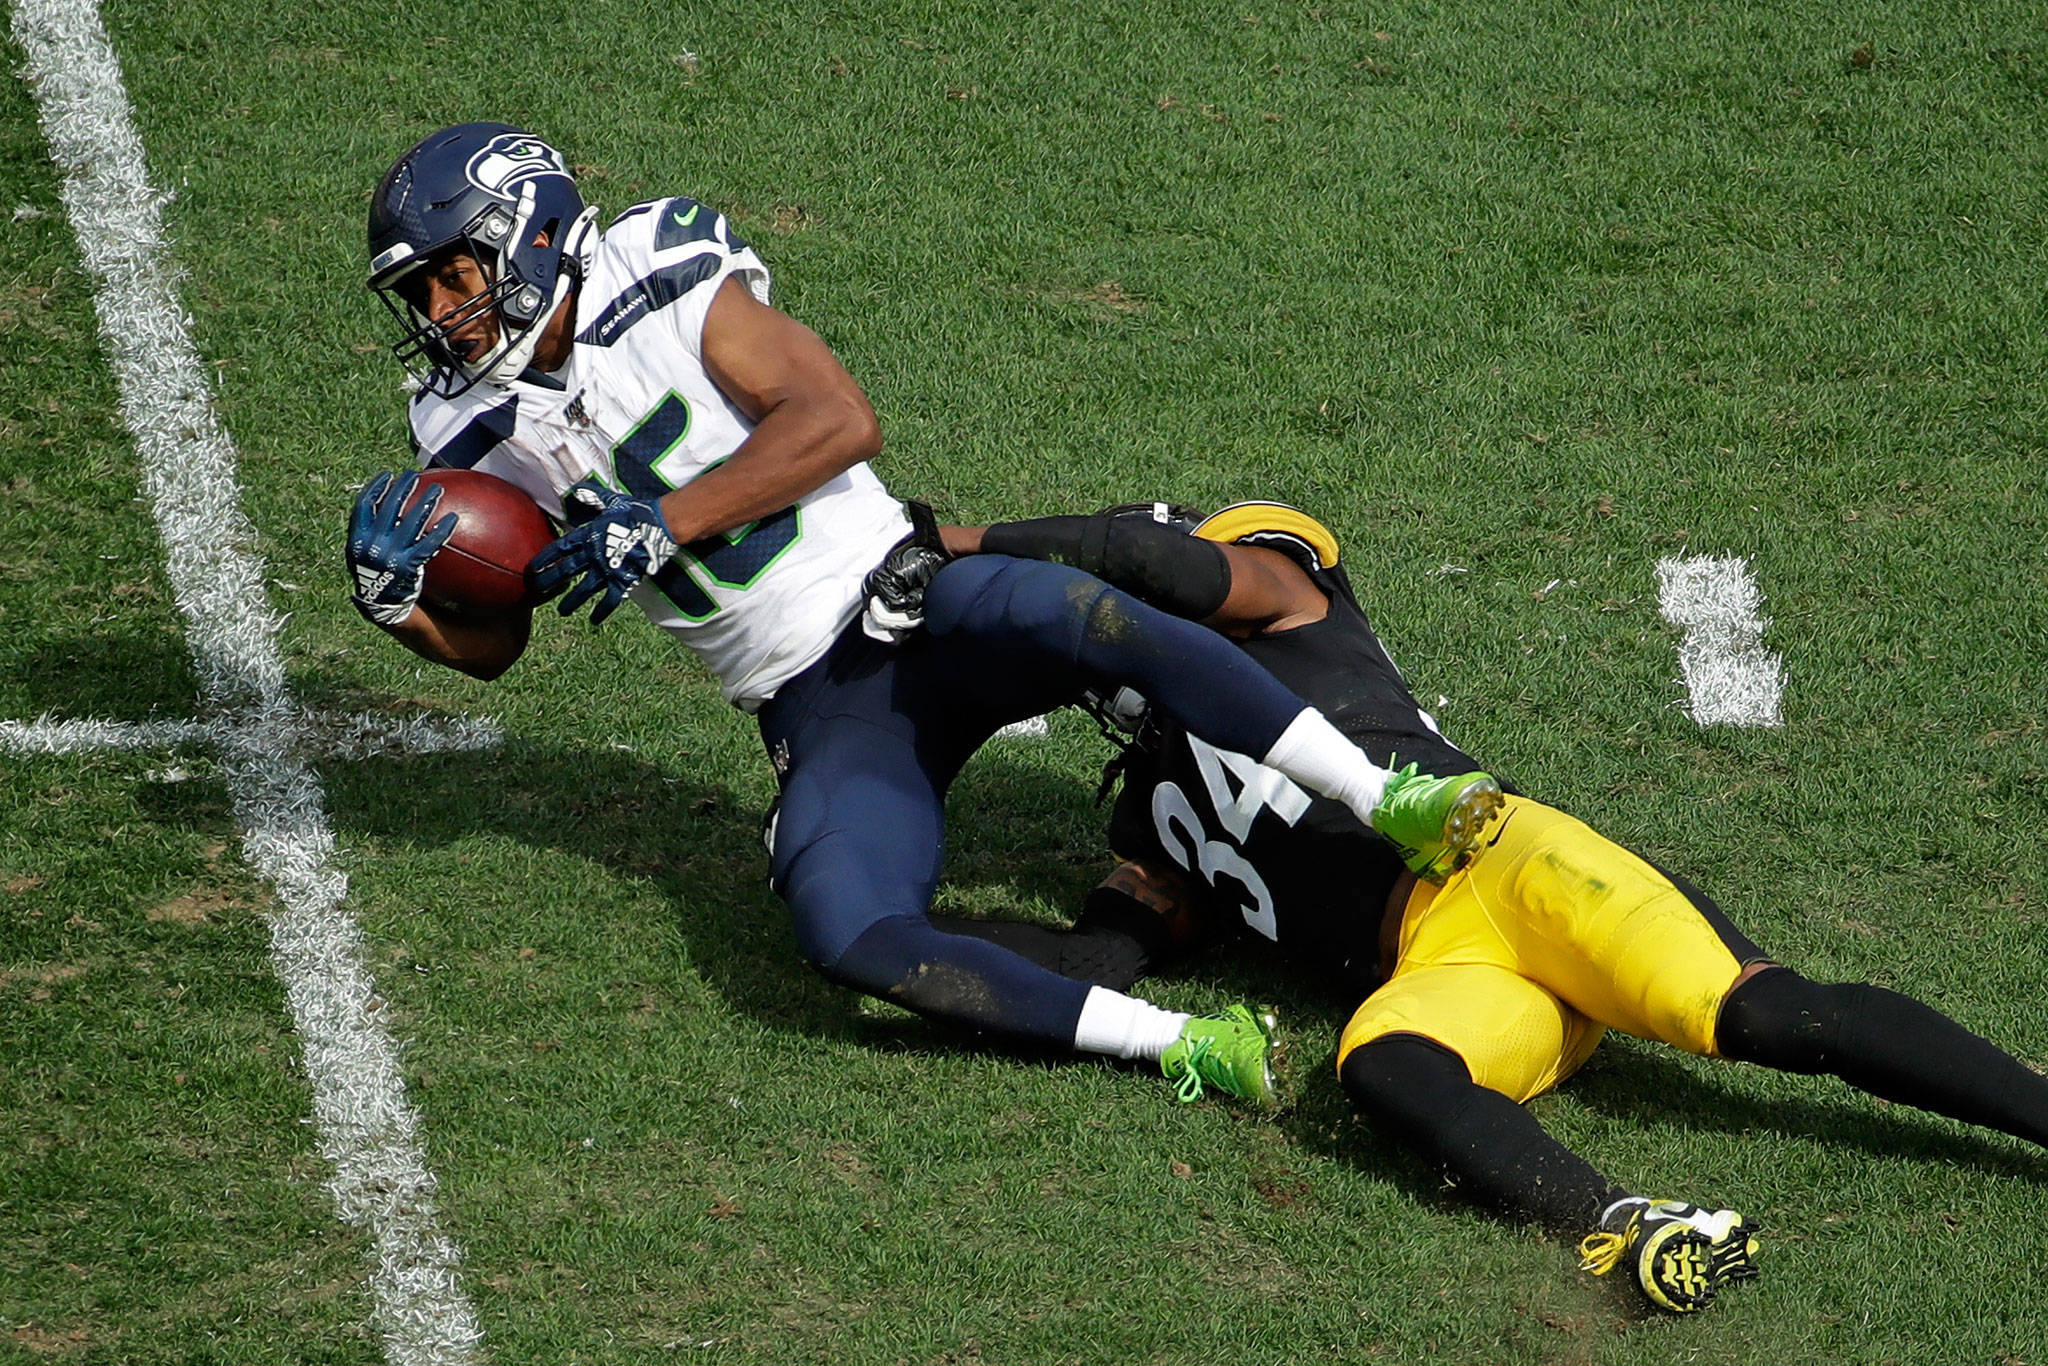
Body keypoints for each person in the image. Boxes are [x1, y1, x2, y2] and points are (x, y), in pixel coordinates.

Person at [340, 122, 1505, 1107]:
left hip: (903, 593)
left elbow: (837, 419)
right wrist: (409, 613)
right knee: (844, 930)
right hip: (816, 697)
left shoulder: (655, 266)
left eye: (456, 272)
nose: (445, 312)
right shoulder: (460, 427)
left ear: (535, 231)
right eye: (423, 291)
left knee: (1084, 613)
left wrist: (669, 518)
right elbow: (500, 644)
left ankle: (1387, 794)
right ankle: (1186, 1045)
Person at [878, 499, 2048, 1313]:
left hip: (1505, 868)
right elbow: (1101, 954)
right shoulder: (1151, 806)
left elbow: (1158, 570)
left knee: (1765, 1019)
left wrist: (963, 543)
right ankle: (1630, 1226)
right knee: (1377, 1063)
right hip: (1443, 970)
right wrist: (896, 935)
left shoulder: (1292, 603)